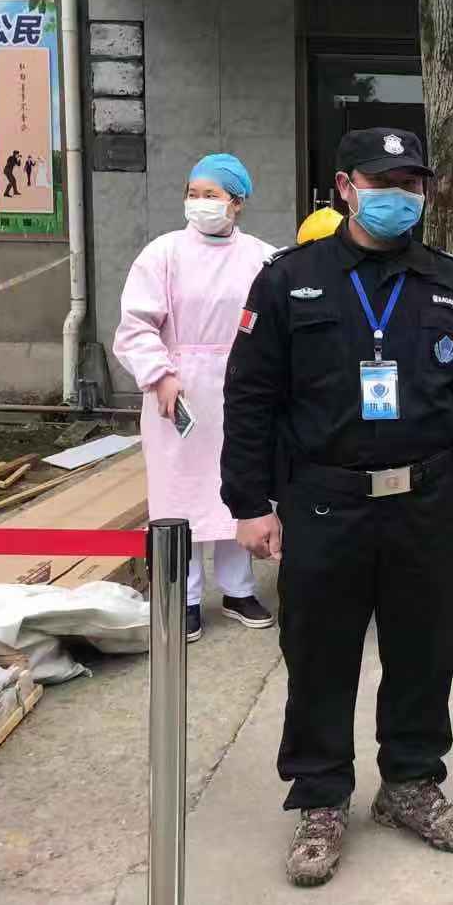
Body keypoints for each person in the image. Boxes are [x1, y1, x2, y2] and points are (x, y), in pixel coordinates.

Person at [221, 128, 453, 888]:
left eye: (412, 184)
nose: (399, 197)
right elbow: (250, 397)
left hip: (426, 500)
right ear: (346, 187)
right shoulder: (290, 280)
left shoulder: (449, 282)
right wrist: (249, 502)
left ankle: (410, 783)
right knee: (320, 652)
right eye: (383, 182)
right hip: (325, 500)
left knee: (424, 648)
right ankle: (321, 797)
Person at [114, 153, 276, 643]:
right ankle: (182, 596)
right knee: (179, 493)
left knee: (238, 484)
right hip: (179, 392)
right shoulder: (162, 254)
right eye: (193, 193)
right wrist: (159, 375)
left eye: (212, 194)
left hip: (243, 388)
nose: (199, 202)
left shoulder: (263, 258)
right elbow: (135, 325)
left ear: (237, 202)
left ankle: (238, 588)